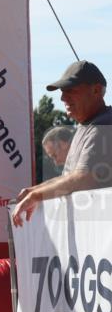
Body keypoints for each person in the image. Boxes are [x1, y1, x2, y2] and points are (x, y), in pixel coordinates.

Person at [13, 60, 110, 226]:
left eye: (71, 90)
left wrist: (37, 195)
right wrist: (33, 191)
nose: (63, 97)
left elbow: (84, 178)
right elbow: (70, 177)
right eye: (63, 91)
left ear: (96, 90)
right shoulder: (87, 125)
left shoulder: (104, 125)